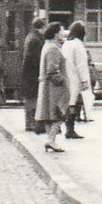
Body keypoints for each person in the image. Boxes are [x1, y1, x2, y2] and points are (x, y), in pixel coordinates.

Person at [35, 23, 69, 153]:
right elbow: (52, 69)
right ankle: (51, 140)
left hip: (47, 86)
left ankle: (51, 140)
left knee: (49, 115)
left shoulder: (47, 46)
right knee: (58, 113)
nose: (63, 34)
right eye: (61, 32)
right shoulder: (53, 48)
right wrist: (63, 81)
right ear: (55, 34)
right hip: (53, 88)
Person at [62, 20, 93, 140]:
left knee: (70, 103)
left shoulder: (67, 43)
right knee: (74, 103)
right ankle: (70, 129)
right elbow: (81, 65)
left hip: (67, 77)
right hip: (75, 78)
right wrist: (85, 80)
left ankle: (68, 128)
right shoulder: (78, 45)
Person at [20, 16, 47, 133]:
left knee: (31, 98)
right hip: (32, 74)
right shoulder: (36, 40)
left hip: (28, 73)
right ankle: (30, 123)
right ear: (41, 27)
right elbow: (35, 59)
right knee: (32, 99)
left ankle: (30, 122)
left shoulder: (30, 37)